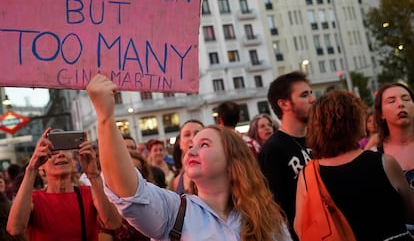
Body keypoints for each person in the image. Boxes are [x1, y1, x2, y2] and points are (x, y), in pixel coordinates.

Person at [86, 74, 292, 240]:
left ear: (233, 160)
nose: (191, 151)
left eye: (204, 144)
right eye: (191, 145)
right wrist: (105, 118)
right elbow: (128, 192)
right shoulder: (175, 212)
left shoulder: (269, 221)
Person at [294, 90, 414, 240]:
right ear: (354, 121)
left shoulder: (308, 175)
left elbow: (300, 227)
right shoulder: (384, 162)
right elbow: (411, 212)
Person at [6, 128, 122, 240]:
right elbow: (14, 229)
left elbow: (113, 223)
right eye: (53, 151)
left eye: (65, 149)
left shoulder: (89, 193)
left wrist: (93, 175)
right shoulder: (32, 200)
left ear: (73, 160)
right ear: (42, 165)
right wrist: (31, 169)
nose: (60, 154)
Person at [258, 71, 314, 240]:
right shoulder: (272, 150)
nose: (312, 99)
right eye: (305, 95)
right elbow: (275, 206)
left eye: (311, 93)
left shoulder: (320, 139)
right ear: (284, 104)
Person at [374, 82, 414, 234]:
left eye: (406, 99)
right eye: (391, 101)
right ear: (381, 113)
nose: (400, 104)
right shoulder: (374, 155)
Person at [171, 119, 204, 195]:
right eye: (187, 135)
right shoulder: (176, 181)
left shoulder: (217, 172)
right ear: (180, 143)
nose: (192, 138)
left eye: (197, 133)